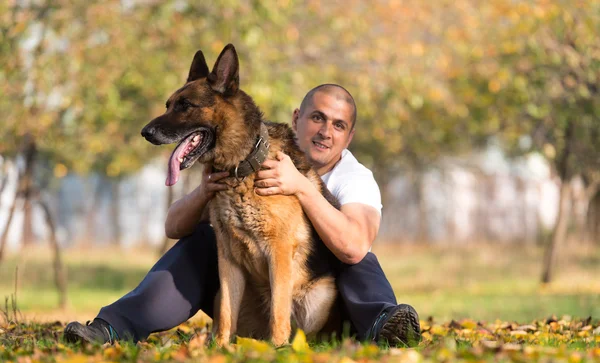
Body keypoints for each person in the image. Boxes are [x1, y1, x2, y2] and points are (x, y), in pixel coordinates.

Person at [64, 84, 421, 347]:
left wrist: (301, 187)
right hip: (252, 302)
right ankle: (111, 329)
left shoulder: (354, 177)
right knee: (202, 239)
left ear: (349, 136)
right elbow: (173, 226)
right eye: (317, 118)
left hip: (320, 305)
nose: (326, 132)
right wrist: (206, 191)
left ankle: (385, 327)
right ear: (297, 118)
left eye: (338, 125)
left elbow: (355, 246)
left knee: (358, 254)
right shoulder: (250, 155)